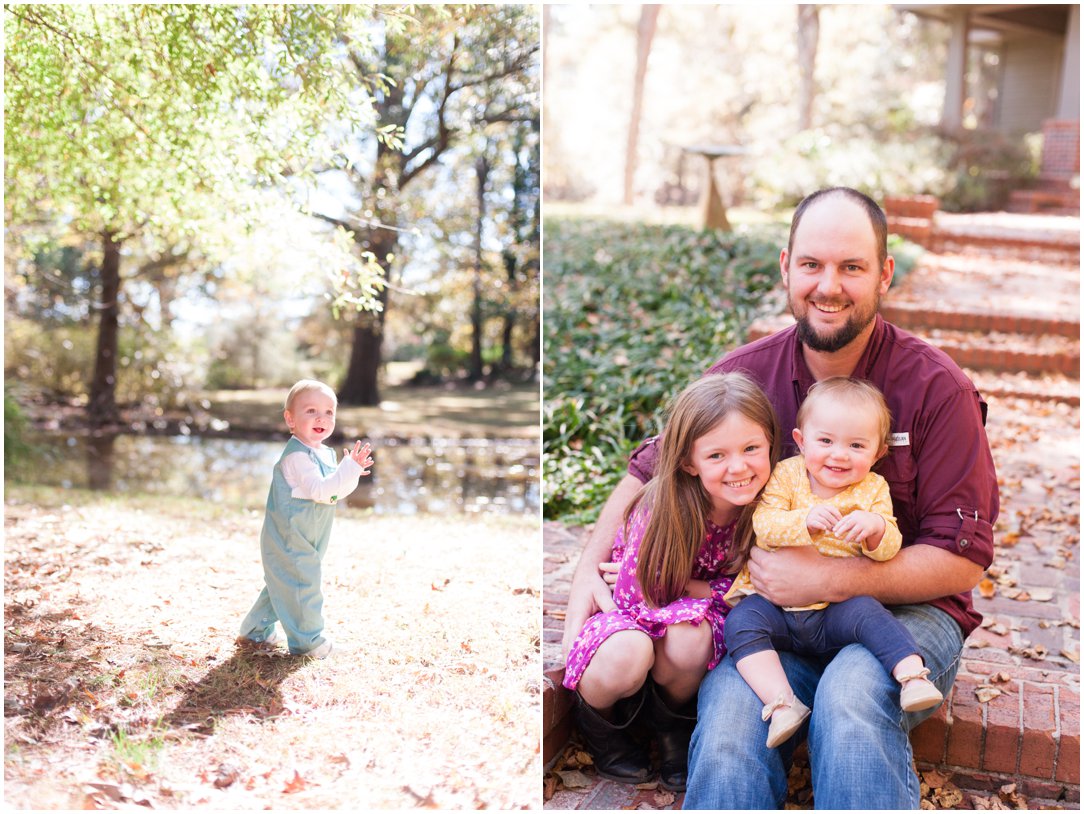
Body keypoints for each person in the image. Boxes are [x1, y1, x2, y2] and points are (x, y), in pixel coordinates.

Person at [560, 187, 999, 809]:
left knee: (851, 698)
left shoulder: (937, 389)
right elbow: (647, 473)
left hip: (906, 615)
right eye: (813, 265)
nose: (830, 285)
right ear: (786, 266)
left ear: (885, 274)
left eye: (852, 267)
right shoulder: (744, 376)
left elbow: (964, 558)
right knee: (734, 719)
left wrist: (834, 575)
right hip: (771, 620)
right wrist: (587, 572)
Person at [562, 373, 780, 792]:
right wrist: (711, 592)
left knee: (691, 638)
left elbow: (759, 589)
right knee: (629, 650)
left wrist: (689, 590)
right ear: (688, 462)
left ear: (771, 443)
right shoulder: (662, 504)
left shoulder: (768, 509)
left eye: (751, 448)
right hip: (627, 619)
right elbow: (638, 591)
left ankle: (670, 729)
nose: (739, 467)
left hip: (687, 621)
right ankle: (603, 729)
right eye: (717, 455)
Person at [723, 376, 942, 750]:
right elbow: (764, 523)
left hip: (834, 610)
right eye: (825, 441)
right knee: (741, 623)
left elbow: (889, 545)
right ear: (801, 440)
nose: (839, 455)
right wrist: (802, 523)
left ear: (877, 453)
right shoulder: (787, 475)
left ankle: (912, 676)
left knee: (870, 613)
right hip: (777, 608)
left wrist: (874, 529)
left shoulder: (873, 489)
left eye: (856, 445)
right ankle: (781, 704)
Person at [239, 379, 374, 659]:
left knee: (285, 584)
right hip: (289, 537)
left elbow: (335, 492)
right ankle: (308, 642)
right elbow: (322, 490)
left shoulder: (323, 452)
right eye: (311, 410)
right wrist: (346, 470)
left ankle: (254, 632)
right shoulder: (297, 457)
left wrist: (351, 471)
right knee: (302, 587)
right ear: (290, 419)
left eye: (328, 412)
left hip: (309, 535)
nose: (321, 418)